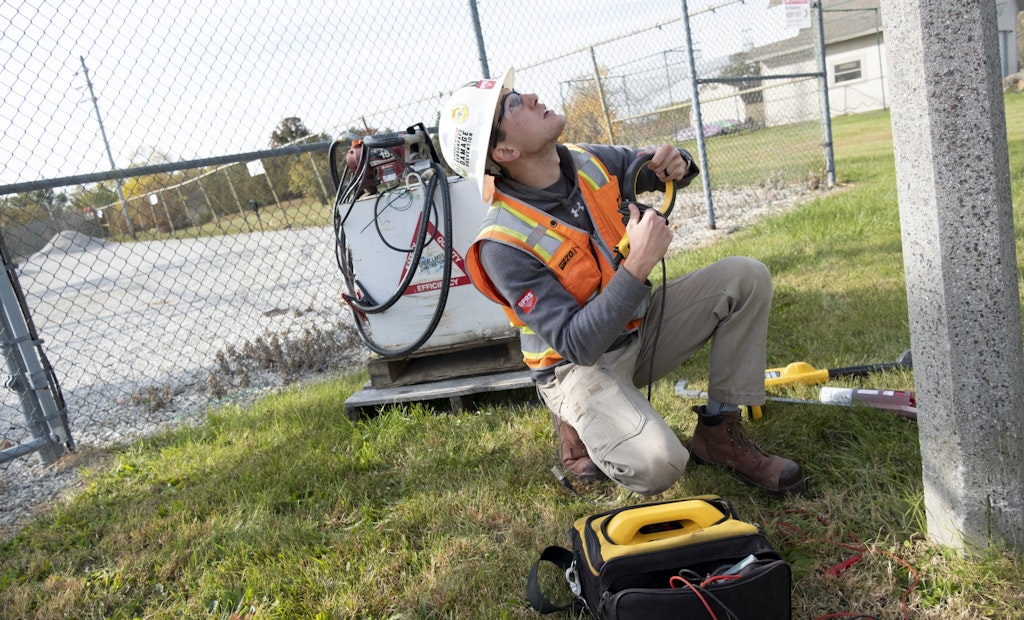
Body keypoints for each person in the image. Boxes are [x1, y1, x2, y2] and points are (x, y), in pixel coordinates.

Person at [437, 68, 806, 496]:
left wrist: (678, 162)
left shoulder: (586, 158)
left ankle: (720, 436)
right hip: (577, 369)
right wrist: (639, 264)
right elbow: (578, 344)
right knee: (658, 464)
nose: (533, 96)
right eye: (513, 103)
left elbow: (655, 170)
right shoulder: (503, 244)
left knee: (745, 277)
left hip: (639, 331)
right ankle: (574, 418)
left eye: (519, 92)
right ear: (504, 150)